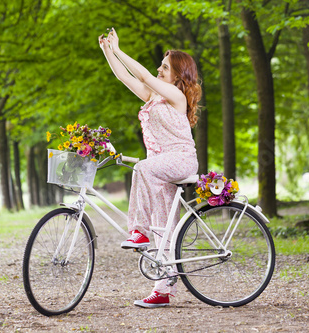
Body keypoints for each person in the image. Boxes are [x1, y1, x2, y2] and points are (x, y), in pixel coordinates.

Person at [98, 28, 201, 308]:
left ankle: (137, 230)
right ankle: (163, 290)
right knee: (162, 225)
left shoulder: (177, 97)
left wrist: (120, 49)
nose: (158, 69)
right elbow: (124, 76)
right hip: (161, 164)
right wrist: (108, 50)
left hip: (179, 160)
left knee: (141, 168)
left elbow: (143, 75)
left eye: (165, 67)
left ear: (179, 76)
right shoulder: (153, 97)